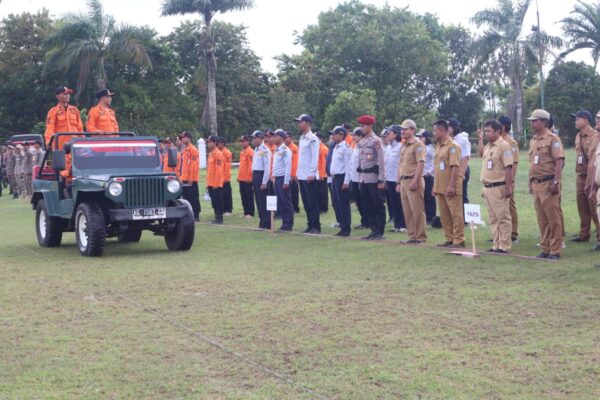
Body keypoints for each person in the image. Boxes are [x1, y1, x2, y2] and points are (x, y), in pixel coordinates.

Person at [527, 109, 565, 260]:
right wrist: (531, 182)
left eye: (535, 121)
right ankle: (545, 247)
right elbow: (532, 164)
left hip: (549, 183)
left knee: (553, 218)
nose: (532, 123)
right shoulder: (533, 140)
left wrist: (556, 181)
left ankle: (555, 250)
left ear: (544, 122)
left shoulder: (553, 139)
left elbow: (559, 160)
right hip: (537, 183)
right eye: (532, 121)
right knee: (542, 219)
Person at [477, 119, 514, 253]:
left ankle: (504, 245)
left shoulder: (504, 146)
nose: (486, 133)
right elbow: (481, 154)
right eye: (485, 131)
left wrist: (508, 187)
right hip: (488, 187)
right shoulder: (488, 146)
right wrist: (480, 139)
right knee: (493, 218)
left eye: (489, 131)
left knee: (503, 217)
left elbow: (509, 167)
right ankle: (496, 244)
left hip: (499, 186)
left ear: (498, 131)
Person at [433, 120, 464, 248]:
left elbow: (455, 167)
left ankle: (459, 239)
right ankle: (449, 238)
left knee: (455, 214)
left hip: (451, 186)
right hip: (440, 187)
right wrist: (435, 186)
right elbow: (437, 168)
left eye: (435, 130)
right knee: (444, 215)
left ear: (441, 130)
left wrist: (451, 185)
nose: (433, 133)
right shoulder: (439, 146)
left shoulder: (453, 146)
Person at [571, 111, 600, 247]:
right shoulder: (578, 136)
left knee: (594, 206)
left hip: (591, 176)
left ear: (586, 120)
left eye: (578, 119)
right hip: (580, 175)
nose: (575, 121)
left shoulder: (595, 135)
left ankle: (599, 235)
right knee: (581, 205)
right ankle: (584, 234)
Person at [396, 119, 427, 244]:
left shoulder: (418, 144)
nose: (402, 131)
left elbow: (420, 164)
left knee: (417, 210)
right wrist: (398, 182)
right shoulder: (403, 145)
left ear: (413, 130)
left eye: (405, 129)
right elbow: (400, 164)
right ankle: (412, 235)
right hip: (404, 180)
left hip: (414, 180)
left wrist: (415, 180)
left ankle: (420, 237)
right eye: (402, 129)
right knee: (407, 210)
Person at [357, 114, 386, 240]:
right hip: (364, 177)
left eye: (363, 125)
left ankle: (380, 231)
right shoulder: (362, 141)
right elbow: (361, 161)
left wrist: (381, 179)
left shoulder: (376, 141)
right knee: (367, 205)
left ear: (369, 126)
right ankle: (373, 230)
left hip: (374, 178)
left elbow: (381, 161)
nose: (361, 128)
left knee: (377, 205)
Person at [295, 114, 321, 234]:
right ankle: (310, 224)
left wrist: (312, 173)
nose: (299, 124)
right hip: (302, 175)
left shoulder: (313, 138)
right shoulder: (302, 137)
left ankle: (316, 226)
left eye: (301, 122)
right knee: (306, 202)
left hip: (310, 175)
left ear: (307, 123)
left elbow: (315, 157)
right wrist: (297, 173)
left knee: (313, 202)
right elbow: (301, 158)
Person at [498, 116, 519, 242]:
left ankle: (513, 233)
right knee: (499, 207)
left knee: (510, 206)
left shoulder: (511, 143)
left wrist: (509, 183)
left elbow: (514, 164)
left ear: (503, 127)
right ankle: (501, 232)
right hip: (497, 182)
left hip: (507, 180)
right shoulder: (496, 142)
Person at [329, 126, 353, 236]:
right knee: (337, 203)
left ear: (341, 135)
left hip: (342, 178)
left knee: (343, 204)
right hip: (334, 178)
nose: (332, 136)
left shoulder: (345, 148)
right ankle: (342, 226)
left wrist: (346, 182)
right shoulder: (335, 147)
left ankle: (346, 228)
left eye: (335, 134)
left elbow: (349, 167)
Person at [44, 86, 83, 151]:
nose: (67, 96)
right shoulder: (53, 112)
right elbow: (49, 129)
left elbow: (80, 128)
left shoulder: (75, 110)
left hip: (75, 145)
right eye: (64, 94)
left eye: (68, 94)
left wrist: (83, 140)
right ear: (57, 96)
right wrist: (48, 142)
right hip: (60, 146)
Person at [384, 125, 406, 233]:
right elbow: (386, 164)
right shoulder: (388, 148)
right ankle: (397, 225)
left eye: (389, 133)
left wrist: (400, 181)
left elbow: (402, 164)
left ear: (396, 134)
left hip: (398, 179)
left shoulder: (401, 147)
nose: (387, 135)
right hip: (389, 179)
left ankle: (403, 225)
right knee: (393, 203)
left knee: (400, 202)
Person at [271, 129, 294, 231]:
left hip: (283, 179)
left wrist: (286, 181)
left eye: (276, 136)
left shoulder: (285, 150)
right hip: (277, 178)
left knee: (286, 202)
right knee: (280, 202)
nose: (274, 138)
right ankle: (284, 223)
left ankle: (288, 224)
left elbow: (288, 165)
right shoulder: (277, 149)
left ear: (281, 137)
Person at [448, 118, 471, 205]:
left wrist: (461, 175)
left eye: (448, 127)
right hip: (454, 169)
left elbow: (465, 158)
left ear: (453, 127)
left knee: (462, 196)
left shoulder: (462, 140)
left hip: (462, 170)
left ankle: (466, 218)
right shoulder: (451, 140)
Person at [251, 130, 271, 229]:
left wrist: (264, 182)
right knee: (258, 201)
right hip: (255, 175)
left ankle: (267, 223)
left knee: (263, 200)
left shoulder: (264, 150)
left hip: (261, 175)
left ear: (260, 138)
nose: (253, 140)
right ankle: (262, 221)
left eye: (254, 138)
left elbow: (267, 167)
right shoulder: (256, 149)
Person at [179, 131, 201, 222]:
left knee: (193, 198)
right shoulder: (185, 150)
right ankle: (189, 215)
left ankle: (196, 215)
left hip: (191, 179)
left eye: (184, 137)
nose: (182, 139)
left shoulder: (193, 150)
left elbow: (194, 166)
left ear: (188, 138)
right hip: (184, 178)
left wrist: (191, 179)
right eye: (182, 138)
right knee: (186, 198)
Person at [350, 128, 368, 229]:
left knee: (364, 202)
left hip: (361, 178)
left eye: (355, 135)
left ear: (361, 136)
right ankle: (363, 221)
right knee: (359, 202)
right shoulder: (356, 146)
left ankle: (367, 221)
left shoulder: (364, 147)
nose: (353, 137)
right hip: (354, 178)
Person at [418, 130, 436, 224]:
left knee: (430, 197)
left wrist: (430, 172)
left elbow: (435, 161)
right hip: (421, 175)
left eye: (421, 137)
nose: (420, 138)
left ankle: (431, 217)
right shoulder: (420, 147)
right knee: (423, 197)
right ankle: (425, 217)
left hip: (428, 175)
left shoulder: (430, 148)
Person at [205, 136, 225, 224]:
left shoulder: (218, 154)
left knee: (218, 201)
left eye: (209, 142)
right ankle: (216, 216)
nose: (208, 144)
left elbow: (219, 170)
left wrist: (216, 183)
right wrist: (208, 183)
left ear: (214, 143)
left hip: (216, 183)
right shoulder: (211, 153)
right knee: (214, 201)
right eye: (207, 142)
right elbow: (210, 169)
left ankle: (219, 218)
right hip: (211, 182)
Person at [238, 135, 255, 218]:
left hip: (247, 178)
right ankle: (245, 212)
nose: (242, 143)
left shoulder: (251, 152)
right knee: (243, 196)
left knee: (249, 196)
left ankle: (250, 212)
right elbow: (241, 166)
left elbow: (250, 166)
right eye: (241, 141)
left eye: (244, 141)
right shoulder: (242, 152)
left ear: (248, 142)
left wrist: (249, 177)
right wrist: (239, 176)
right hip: (241, 178)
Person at [217, 137, 233, 216]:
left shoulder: (227, 153)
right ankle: (223, 209)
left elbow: (227, 166)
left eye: (219, 143)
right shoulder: (218, 152)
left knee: (227, 194)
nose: (217, 144)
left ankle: (228, 210)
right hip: (219, 178)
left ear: (222, 143)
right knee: (221, 194)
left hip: (225, 178)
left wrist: (225, 177)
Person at [284, 133, 300, 213]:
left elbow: (295, 161)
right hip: (288, 172)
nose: (285, 139)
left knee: (294, 192)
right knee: (290, 192)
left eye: (287, 137)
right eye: (285, 138)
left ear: (291, 138)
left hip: (292, 173)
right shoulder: (286, 147)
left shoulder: (293, 147)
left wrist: (294, 174)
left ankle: (295, 208)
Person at [317, 132, 329, 214]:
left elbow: (324, 163)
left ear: (321, 139)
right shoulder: (316, 147)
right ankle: (319, 207)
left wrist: (322, 174)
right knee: (318, 192)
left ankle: (324, 208)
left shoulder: (324, 148)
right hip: (317, 174)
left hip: (322, 174)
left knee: (323, 192)